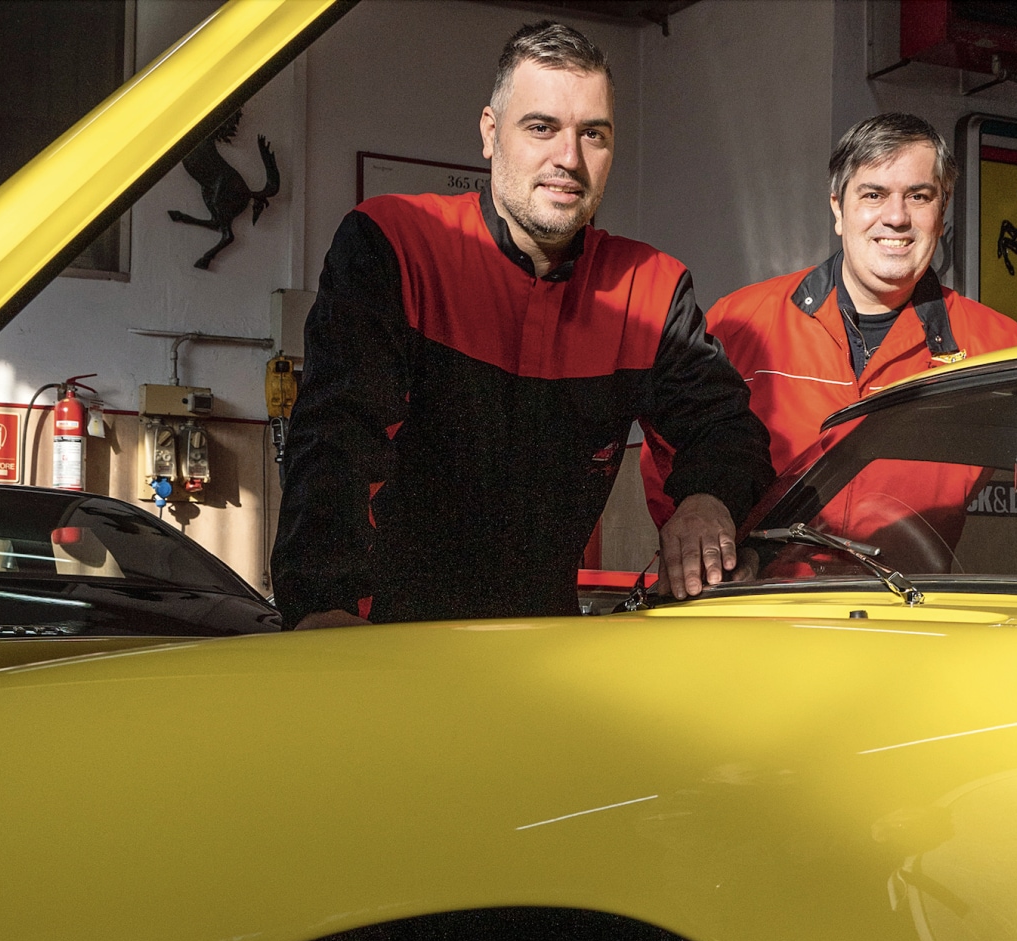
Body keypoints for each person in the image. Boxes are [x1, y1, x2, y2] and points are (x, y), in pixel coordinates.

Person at [272, 21, 772, 628]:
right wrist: (321, 606)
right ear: (490, 133)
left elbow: (724, 427)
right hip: (383, 638)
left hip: (545, 641)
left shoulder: (651, 288)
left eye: (593, 134)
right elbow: (335, 439)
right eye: (541, 128)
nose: (570, 158)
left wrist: (707, 499)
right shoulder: (395, 244)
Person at [642, 113, 1017, 556]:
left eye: (919, 196)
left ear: (941, 213)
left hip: (905, 598)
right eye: (873, 194)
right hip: (754, 595)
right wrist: (708, 558)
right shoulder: (740, 324)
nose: (896, 217)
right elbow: (666, 458)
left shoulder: (1002, 351)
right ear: (838, 209)